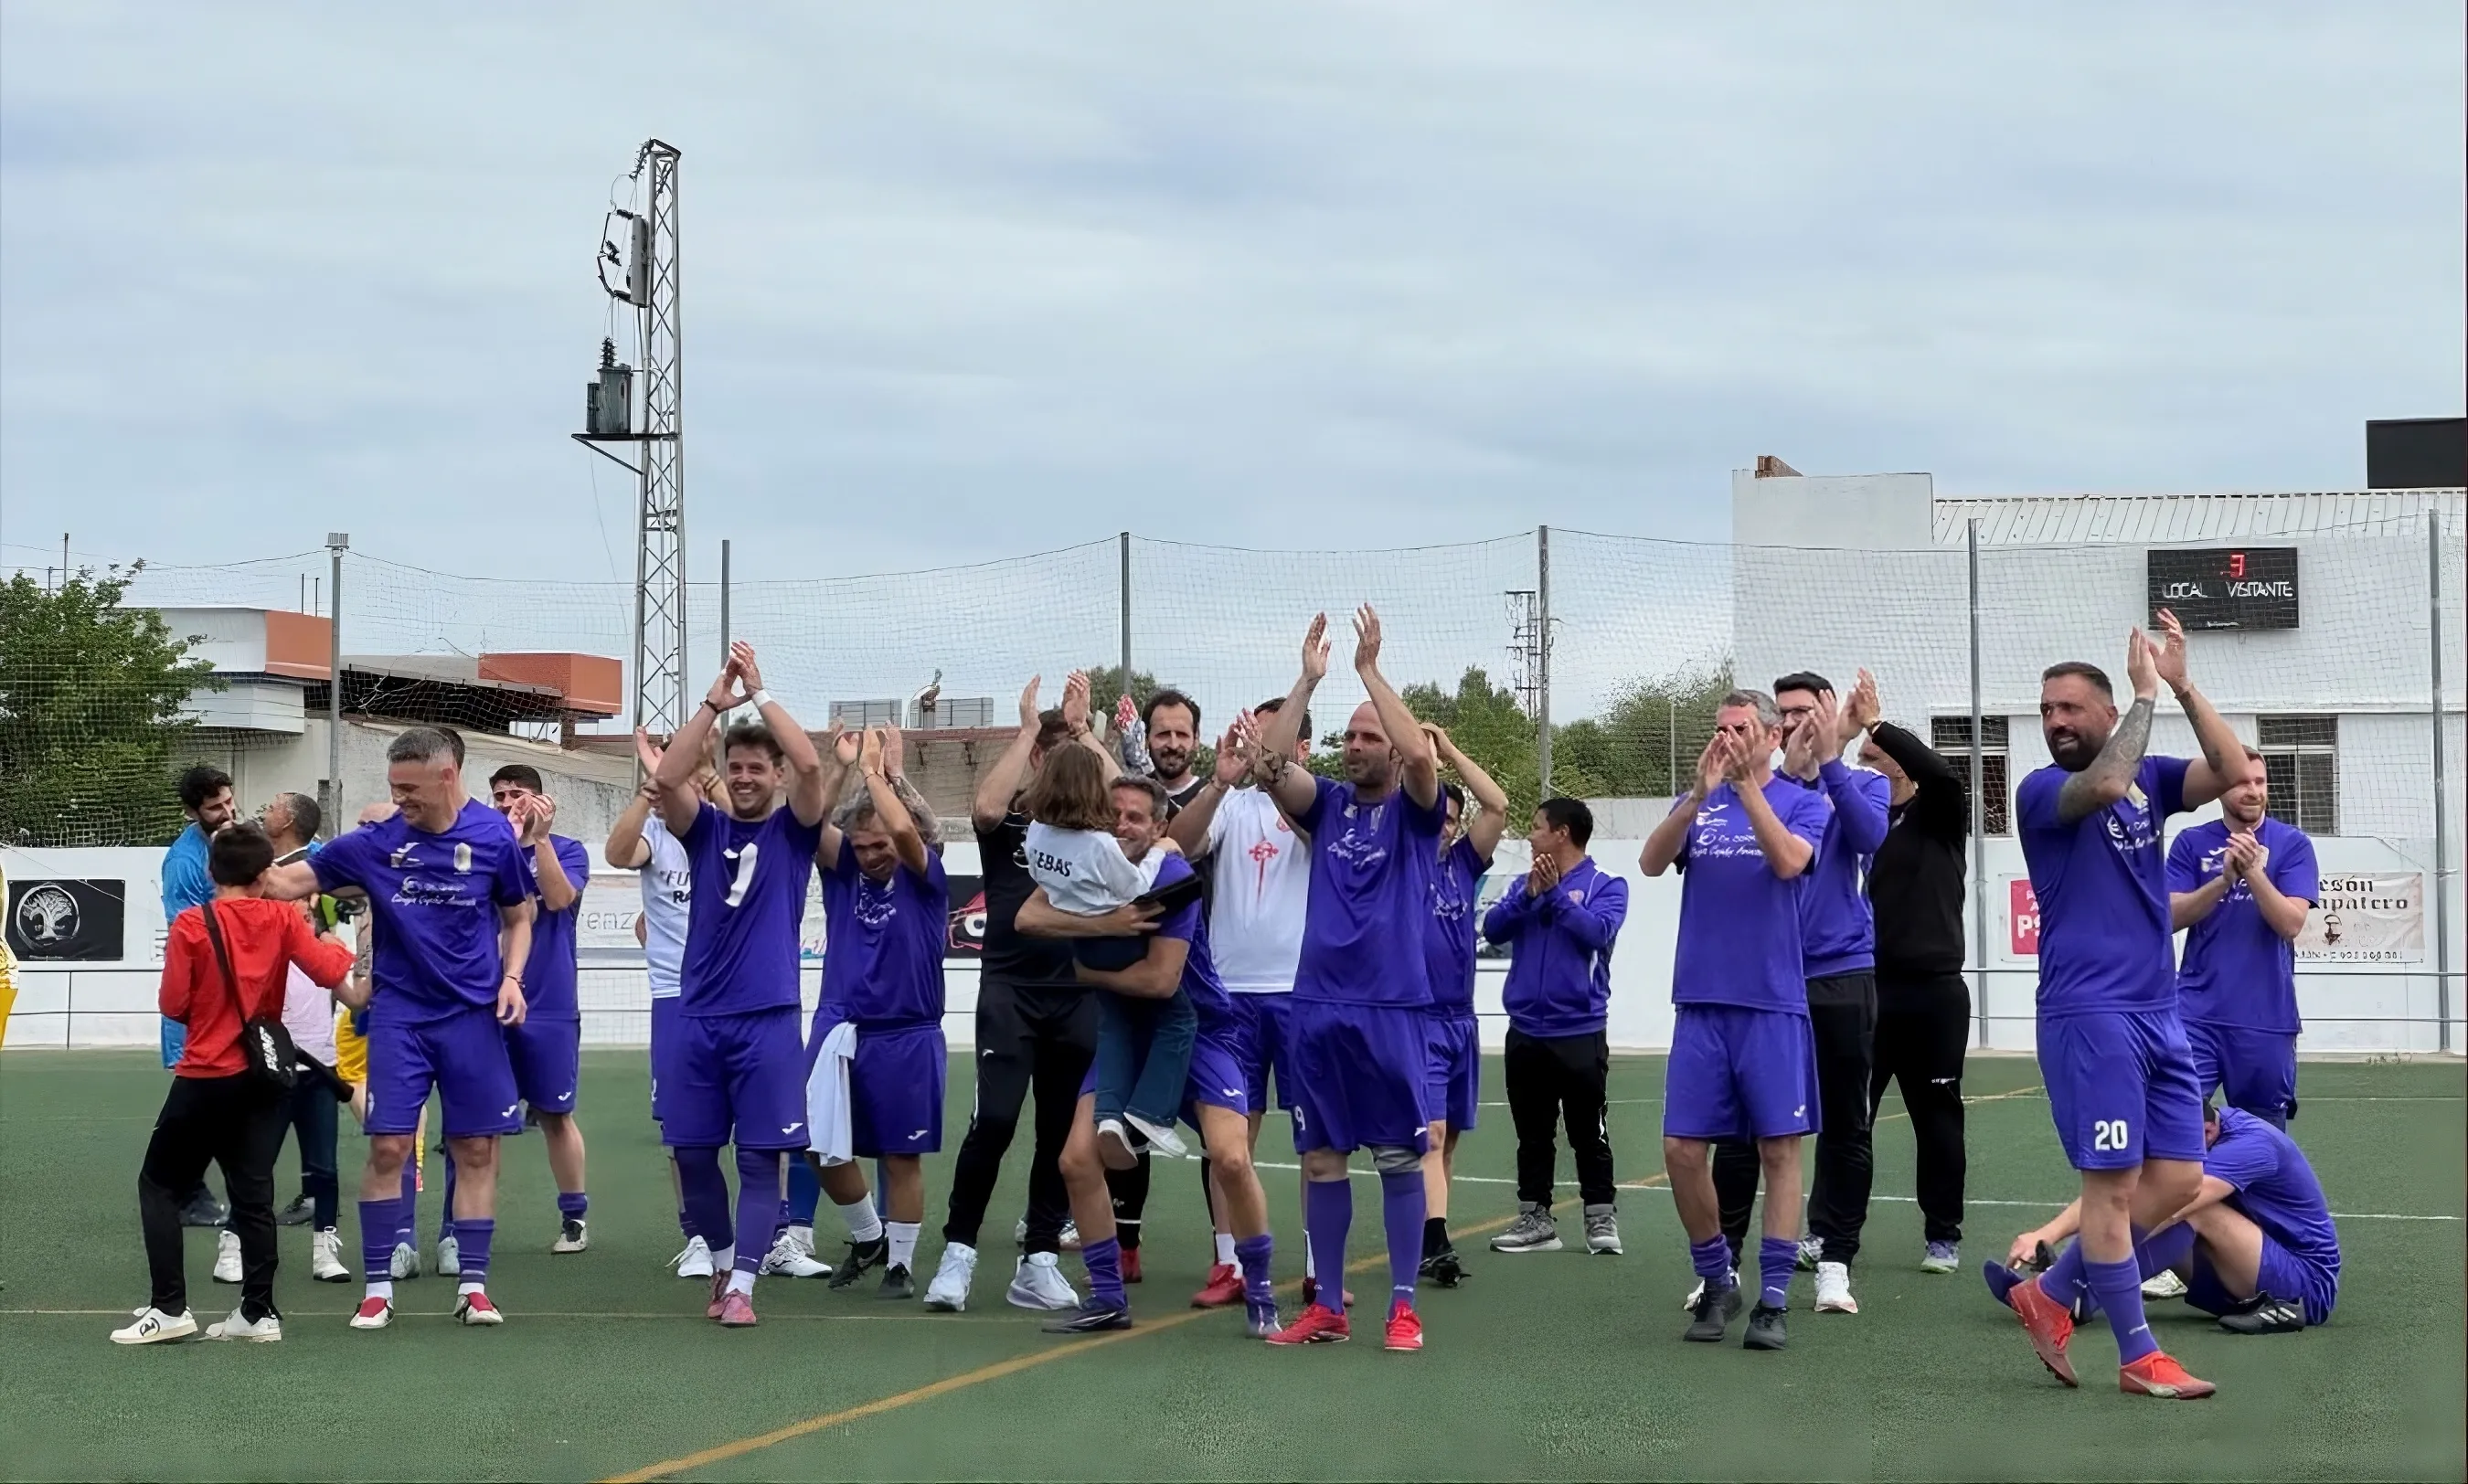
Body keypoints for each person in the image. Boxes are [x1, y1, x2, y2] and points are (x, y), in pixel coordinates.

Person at [2002, 610, 2252, 1400]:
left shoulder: (2150, 775)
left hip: (2158, 1012)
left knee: (2177, 1180)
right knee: (2111, 1186)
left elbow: (2234, 767)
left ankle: (2050, 1290)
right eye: (2046, 710)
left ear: (2106, 712)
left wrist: (2179, 684)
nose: (2055, 722)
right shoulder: (2045, 790)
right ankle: (2139, 1358)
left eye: (2070, 708)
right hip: (2090, 1013)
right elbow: (2107, 781)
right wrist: (2147, 698)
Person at [262, 728, 534, 1330]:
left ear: (448, 776)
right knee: (388, 1147)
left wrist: (512, 977)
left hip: (471, 1019)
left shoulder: (492, 836)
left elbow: (520, 916)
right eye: (393, 788)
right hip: (400, 1018)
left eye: (410, 788)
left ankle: (474, 1287)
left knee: (474, 1147)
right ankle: (379, 1287)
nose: (400, 799)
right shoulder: (373, 843)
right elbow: (284, 884)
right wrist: (234, 850)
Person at [1022, 774, 1282, 1338]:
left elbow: (1162, 982)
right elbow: (1030, 916)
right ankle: (1109, 1298)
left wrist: (1089, 968)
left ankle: (1260, 1291)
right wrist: (1105, 922)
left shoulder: (1172, 875)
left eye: (1136, 816)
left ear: (1160, 828)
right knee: (1075, 1159)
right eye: (1113, 813)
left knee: (1231, 1159)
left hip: (1202, 1032)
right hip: (1127, 1031)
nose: (1121, 824)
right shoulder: (1088, 864)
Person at [1247, 609, 1441, 1352]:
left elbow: (1424, 760)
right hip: (1318, 1005)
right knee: (1321, 1158)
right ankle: (1327, 1304)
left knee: (1397, 1155)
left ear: (1391, 745)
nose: (1356, 747)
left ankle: (1401, 1307)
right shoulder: (1327, 804)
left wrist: (1368, 673)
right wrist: (1308, 679)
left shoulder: (1420, 813)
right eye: (1350, 737)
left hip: (1392, 1007)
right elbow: (1267, 768)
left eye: (1370, 737)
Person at [1640, 689, 1831, 1352]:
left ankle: (1774, 1298)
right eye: (1719, 728)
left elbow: (1788, 862)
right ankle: (1717, 1276)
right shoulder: (1702, 802)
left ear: (1773, 736)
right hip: (1700, 1004)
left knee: (1779, 1151)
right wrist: (1697, 795)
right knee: (1681, 1151)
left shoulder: (1803, 802)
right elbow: (1651, 861)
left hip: (1771, 1005)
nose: (1726, 738)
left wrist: (1748, 788)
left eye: (1740, 728)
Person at [117, 822, 356, 1344]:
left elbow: (173, 1005)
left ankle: (170, 1308)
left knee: (158, 1184)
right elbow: (326, 968)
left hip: (206, 1073)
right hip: (263, 1074)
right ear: (264, 874)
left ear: (211, 871)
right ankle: (258, 1312)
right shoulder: (281, 918)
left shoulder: (190, 924)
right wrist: (332, 941)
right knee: (253, 1195)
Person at [923, 673, 1118, 1316]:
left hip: (1078, 995)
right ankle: (959, 1253)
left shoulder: (1100, 837)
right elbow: (981, 806)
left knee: (1061, 1134)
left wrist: (1088, 734)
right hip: (1010, 992)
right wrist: (1032, 726)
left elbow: (1129, 798)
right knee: (997, 1121)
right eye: (1051, 754)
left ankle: (1037, 1258)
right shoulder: (1008, 823)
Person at [648, 642, 829, 1328]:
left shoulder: (796, 830)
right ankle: (723, 1260)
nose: (746, 777)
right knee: (692, 1154)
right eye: (736, 767)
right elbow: (668, 779)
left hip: (769, 1021)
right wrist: (712, 706)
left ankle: (744, 1287)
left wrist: (760, 693)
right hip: (698, 1018)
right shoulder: (705, 829)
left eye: (758, 767)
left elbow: (811, 764)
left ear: (776, 776)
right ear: (720, 772)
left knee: (759, 1159)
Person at [1709, 672, 1891, 1317]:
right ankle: (1723, 1265)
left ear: (1832, 717)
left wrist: (1832, 762)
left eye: (1808, 714)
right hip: (1766, 980)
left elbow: (1873, 841)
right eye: (1784, 716)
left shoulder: (1860, 782)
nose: (1796, 726)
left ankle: (1834, 1260)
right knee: (1742, 1128)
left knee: (1846, 1122)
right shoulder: (1758, 793)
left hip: (1840, 974)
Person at [1165, 696, 1323, 1309]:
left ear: (1300, 749)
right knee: (1231, 1141)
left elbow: (1311, 825)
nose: (1257, 748)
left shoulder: (1319, 803)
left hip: (1304, 995)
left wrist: (1275, 772)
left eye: (1273, 740)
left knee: (1318, 1139)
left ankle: (1318, 1264)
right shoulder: (1231, 802)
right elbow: (1173, 850)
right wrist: (1219, 781)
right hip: (1230, 999)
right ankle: (1229, 1263)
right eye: (1253, 737)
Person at [803, 725, 947, 1303]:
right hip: (843, 1028)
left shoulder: (923, 876)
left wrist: (875, 773)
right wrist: (840, 768)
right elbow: (810, 827)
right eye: (860, 847)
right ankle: (869, 1238)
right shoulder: (845, 874)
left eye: (878, 845)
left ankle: (902, 1264)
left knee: (899, 1154)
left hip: (908, 1032)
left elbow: (907, 831)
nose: (869, 856)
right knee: (814, 1142)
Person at [1989, 1102, 2338, 1336]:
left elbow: (2165, 1208)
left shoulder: (2252, 1145)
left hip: (2305, 1286)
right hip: (2244, 1272)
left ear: (2207, 1132)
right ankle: (2073, 1295)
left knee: (2187, 1207)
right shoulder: (2197, 1130)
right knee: (2169, 1201)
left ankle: (2071, 1292)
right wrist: (2047, 1233)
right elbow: (2124, 1192)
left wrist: (2076, 1262)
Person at [605, 726, 735, 1279]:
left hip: (737, 994)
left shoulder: (727, 827)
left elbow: (737, 826)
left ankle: (773, 1236)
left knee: (761, 1132)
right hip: (675, 999)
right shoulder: (655, 832)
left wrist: (705, 772)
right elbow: (616, 854)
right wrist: (648, 788)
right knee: (683, 1135)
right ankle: (700, 1237)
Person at [1025, 744, 1194, 1163]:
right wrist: (1160, 849)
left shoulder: (1036, 833)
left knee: (1114, 1025)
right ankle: (1152, 1112)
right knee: (1180, 1018)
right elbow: (1137, 887)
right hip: (1116, 945)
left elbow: (1041, 880)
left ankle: (1109, 1117)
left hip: (1083, 945)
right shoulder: (1100, 846)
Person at [1484, 794, 1630, 1259]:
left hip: (1580, 1029)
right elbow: (1493, 928)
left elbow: (1597, 933)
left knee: (1589, 1130)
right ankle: (1536, 1218)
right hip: (1526, 1028)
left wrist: (1553, 898)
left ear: (1561, 833)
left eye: (1536, 826)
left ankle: (1599, 1216)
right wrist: (1530, 895)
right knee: (1532, 1131)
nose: (1529, 835)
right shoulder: (1526, 884)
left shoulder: (1608, 884)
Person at [1856, 703, 1973, 1274]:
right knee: (1851, 1118)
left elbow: (1944, 774)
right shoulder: (1857, 823)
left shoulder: (1940, 813)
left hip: (1934, 994)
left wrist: (1878, 726)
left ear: (1900, 765)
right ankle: (1832, 1234)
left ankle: (1942, 1236)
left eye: (1873, 758)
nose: (1864, 766)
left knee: (1938, 1117)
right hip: (1868, 991)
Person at [2166, 749, 2317, 1129]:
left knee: (2262, 1137)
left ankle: (2242, 1191)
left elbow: (2291, 924)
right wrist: (2224, 880)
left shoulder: (2293, 844)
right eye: (2241, 782)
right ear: (2219, 787)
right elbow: (2167, 917)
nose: (2252, 790)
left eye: (2259, 782)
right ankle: (2181, 1191)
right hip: (2195, 1016)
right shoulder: (2190, 843)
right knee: (2173, 1122)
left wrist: (2252, 871)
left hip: (2265, 1019)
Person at [485, 764, 595, 1254]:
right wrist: (504, 842)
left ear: (541, 800)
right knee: (483, 1121)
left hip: (549, 1002)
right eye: (499, 795)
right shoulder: (482, 848)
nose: (508, 803)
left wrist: (541, 841)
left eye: (518, 794)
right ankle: (468, 1228)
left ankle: (574, 1216)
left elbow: (557, 898)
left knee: (554, 1114)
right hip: (487, 1002)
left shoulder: (567, 849)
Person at [1417, 726, 1509, 1287]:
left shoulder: (1463, 866)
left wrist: (1449, 752)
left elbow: (1497, 803)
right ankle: (1434, 1240)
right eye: (1439, 817)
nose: (1446, 827)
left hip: (1460, 1021)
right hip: (1417, 1021)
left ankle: (1432, 1229)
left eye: (1452, 819)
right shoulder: (1400, 863)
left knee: (1446, 1139)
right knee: (1427, 1135)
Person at [258, 792, 351, 1286]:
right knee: (255, 1161)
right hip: (266, 1056)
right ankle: (236, 1241)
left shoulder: (325, 938)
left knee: (324, 1166)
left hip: (317, 1059)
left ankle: (324, 1246)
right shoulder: (259, 943)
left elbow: (353, 992)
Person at [160, 764, 239, 1229]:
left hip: (232, 1004)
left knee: (211, 1106)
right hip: (198, 1006)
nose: (228, 812)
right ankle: (184, 1189)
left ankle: (184, 1187)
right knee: (197, 1108)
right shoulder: (184, 862)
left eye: (229, 801)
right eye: (215, 807)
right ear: (192, 812)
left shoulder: (237, 840)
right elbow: (188, 936)